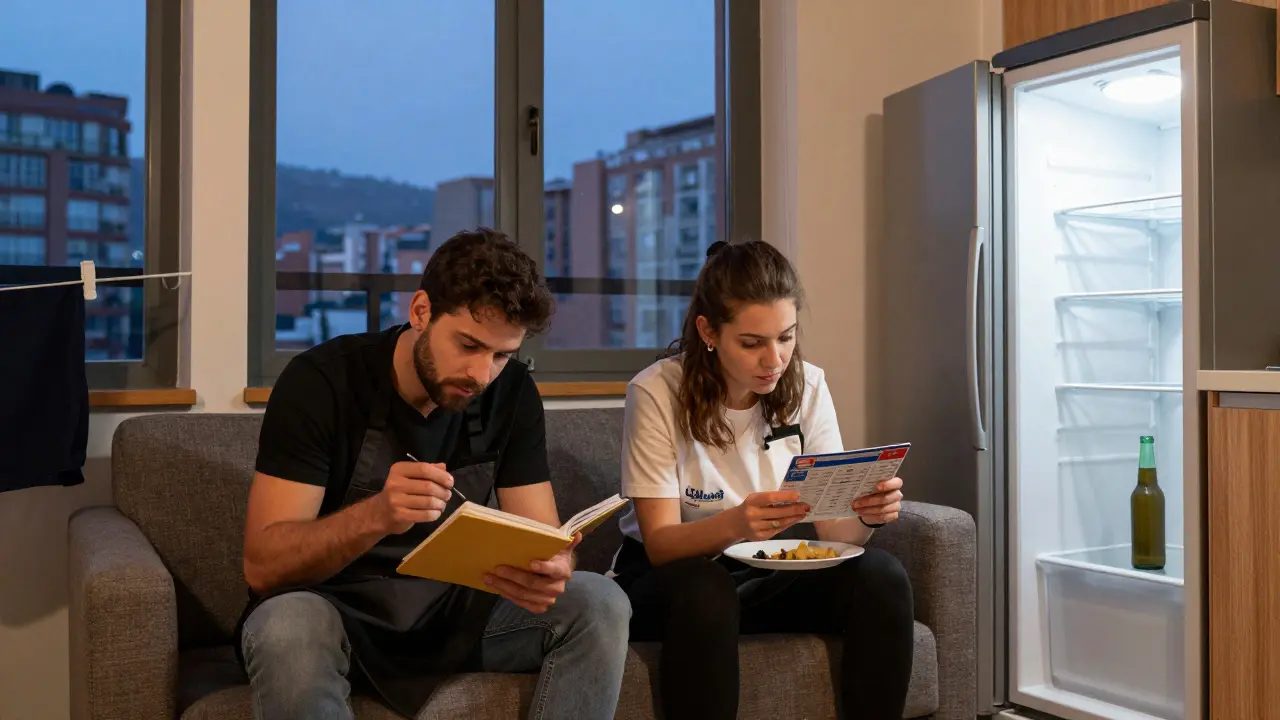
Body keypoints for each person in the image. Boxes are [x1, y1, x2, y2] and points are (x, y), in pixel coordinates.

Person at [237, 228, 632, 720]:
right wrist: (377, 514)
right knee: (286, 626)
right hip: (336, 613)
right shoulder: (322, 383)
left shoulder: (510, 394)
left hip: (455, 616)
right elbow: (263, 566)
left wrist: (553, 569)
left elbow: (542, 537)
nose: (481, 374)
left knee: (599, 601)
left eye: (501, 354)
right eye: (468, 345)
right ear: (420, 311)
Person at [610, 239, 915, 720]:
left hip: (769, 571)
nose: (774, 360)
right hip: (670, 580)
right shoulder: (655, 392)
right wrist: (737, 523)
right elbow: (662, 545)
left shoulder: (807, 384)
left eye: (786, 337)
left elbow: (836, 534)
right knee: (706, 587)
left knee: (880, 575)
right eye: (752, 343)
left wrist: (864, 514)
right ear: (708, 331)